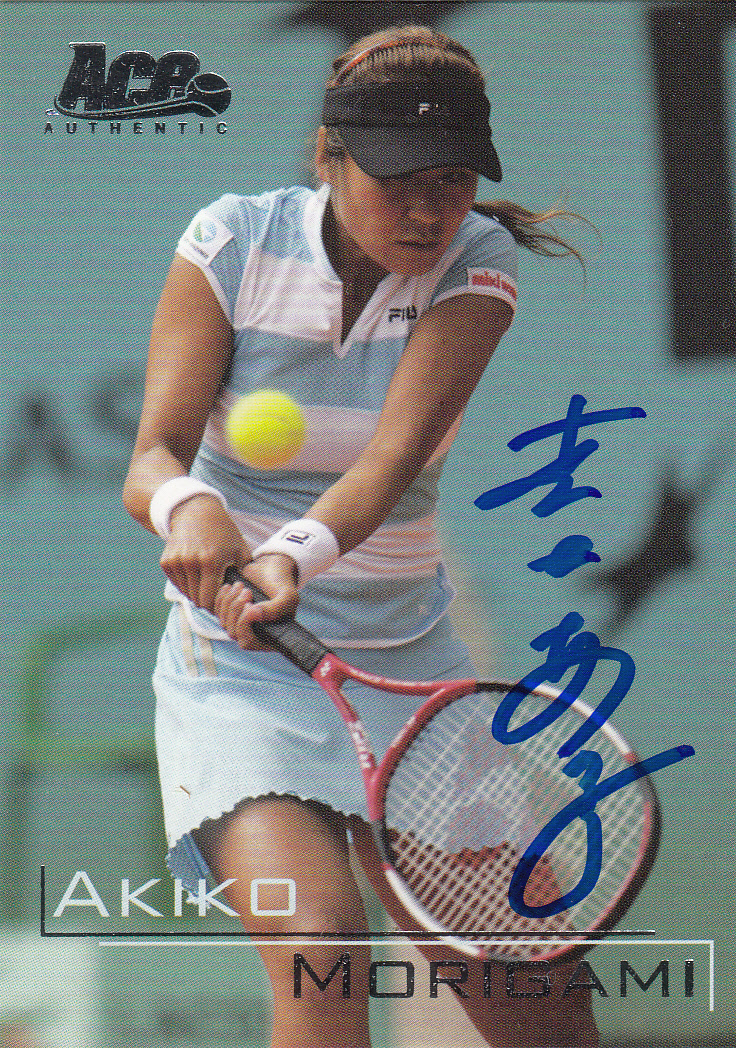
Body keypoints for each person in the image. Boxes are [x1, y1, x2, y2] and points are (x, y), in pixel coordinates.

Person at [124, 24, 599, 1048]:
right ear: (327, 157)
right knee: (323, 950)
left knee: (543, 1004)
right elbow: (153, 456)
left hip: (409, 667)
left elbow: (390, 462)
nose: (428, 211)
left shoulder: (478, 260)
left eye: (452, 180)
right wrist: (189, 507)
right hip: (241, 674)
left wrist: (284, 556)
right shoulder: (230, 242)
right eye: (396, 180)